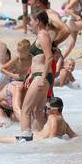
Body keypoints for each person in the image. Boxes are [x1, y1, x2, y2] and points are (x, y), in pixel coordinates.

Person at [18, 10, 53, 141]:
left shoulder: (43, 35)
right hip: (39, 75)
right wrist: (31, 75)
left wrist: (42, 78)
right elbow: (39, 59)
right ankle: (45, 136)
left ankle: (25, 138)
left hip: (41, 76)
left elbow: (49, 58)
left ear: (38, 21)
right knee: (38, 111)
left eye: (32, 20)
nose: (30, 23)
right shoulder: (41, 35)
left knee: (25, 110)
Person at [0, 97, 77, 143]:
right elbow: (74, 136)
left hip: (30, 140)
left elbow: (52, 139)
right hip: (33, 139)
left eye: (47, 108)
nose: (45, 110)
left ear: (55, 109)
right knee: (0, 140)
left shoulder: (52, 118)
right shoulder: (65, 124)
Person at [0, 39, 32, 126]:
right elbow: (2, 69)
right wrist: (13, 76)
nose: (19, 54)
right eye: (18, 51)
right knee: (1, 127)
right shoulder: (17, 59)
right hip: (1, 107)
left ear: (28, 51)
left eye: (22, 52)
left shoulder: (32, 58)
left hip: (13, 110)